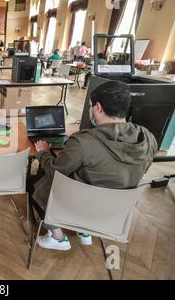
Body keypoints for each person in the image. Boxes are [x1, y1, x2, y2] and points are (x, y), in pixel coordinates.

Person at [28, 81, 157, 251]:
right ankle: (84, 232)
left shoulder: (83, 142)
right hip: (111, 213)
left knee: (33, 183)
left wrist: (43, 152)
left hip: (77, 207)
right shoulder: (148, 138)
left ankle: (58, 237)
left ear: (98, 107)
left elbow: (55, 172)